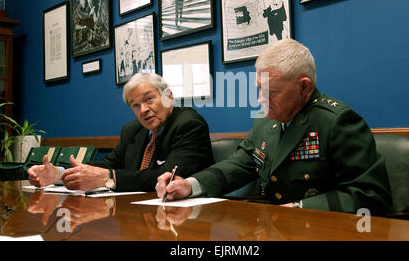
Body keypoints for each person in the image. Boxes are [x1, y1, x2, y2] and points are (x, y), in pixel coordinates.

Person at [157, 39, 392, 215]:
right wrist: (190, 185)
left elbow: (371, 197)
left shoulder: (337, 121)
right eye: (259, 88)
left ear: (304, 87)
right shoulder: (266, 119)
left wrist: (300, 208)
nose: (260, 99)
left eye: (271, 92)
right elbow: (242, 163)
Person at [28, 73, 214, 192]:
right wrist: (59, 174)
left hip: (187, 216)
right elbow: (109, 163)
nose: (144, 110)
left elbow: (166, 177)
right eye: (136, 105)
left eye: (149, 99)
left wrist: (107, 178)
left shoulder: (189, 125)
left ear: (168, 96)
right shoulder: (133, 130)